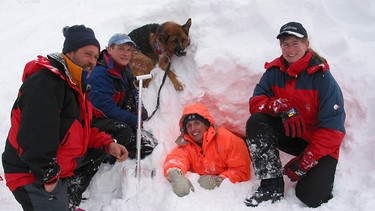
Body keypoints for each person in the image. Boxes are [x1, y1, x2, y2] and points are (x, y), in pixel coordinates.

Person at [1, 25, 129, 211]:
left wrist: (108, 144)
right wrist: (49, 178)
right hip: (31, 173)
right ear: (70, 52)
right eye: (87, 54)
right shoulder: (47, 83)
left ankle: (64, 200)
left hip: (57, 166)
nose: (92, 61)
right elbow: (35, 137)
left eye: (95, 57)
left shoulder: (75, 85)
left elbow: (84, 129)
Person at [243, 22, 346, 208]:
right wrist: (282, 107)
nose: (290, 49)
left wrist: (305, 162)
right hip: (292, 133)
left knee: (311, 198)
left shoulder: (323, 78)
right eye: (285, 44)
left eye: (295, 43)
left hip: (320, 146)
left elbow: (333, 130)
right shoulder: (274, 72)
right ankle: (271, 185)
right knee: (257, 122)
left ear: (306, 44)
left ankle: (316, 175)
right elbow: (256, 102)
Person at [88, 33, 157, 163]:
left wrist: (139, 107)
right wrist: (132, 119)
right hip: (94, 120)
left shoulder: (124, 68)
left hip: (110, 113)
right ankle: (107, 155)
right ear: (109, 50)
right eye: (121, 48)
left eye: (129, 50)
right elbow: (105, 108)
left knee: (133, 123)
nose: (126, 53)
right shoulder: (100, 74)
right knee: (123, 130)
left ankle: (130, 142)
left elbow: (134, 91)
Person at [163, 103, 251, 197]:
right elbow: (176, 159)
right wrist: (175, 175)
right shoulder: (187, 144)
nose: (193, 129)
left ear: (206, 125)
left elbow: (241, 170)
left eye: (197, 123)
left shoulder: (228, 139)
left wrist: (218, 181)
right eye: (189, 125)